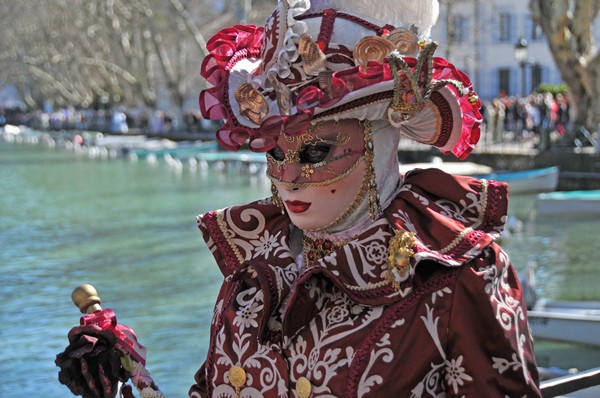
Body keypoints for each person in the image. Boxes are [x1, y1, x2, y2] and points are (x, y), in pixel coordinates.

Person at [57, 0, 541, 396]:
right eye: (274, 150)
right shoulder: (250, 279)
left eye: (315, 151)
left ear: (379, 146)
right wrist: (128, 377)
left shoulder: (454, 282)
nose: (287, 178)